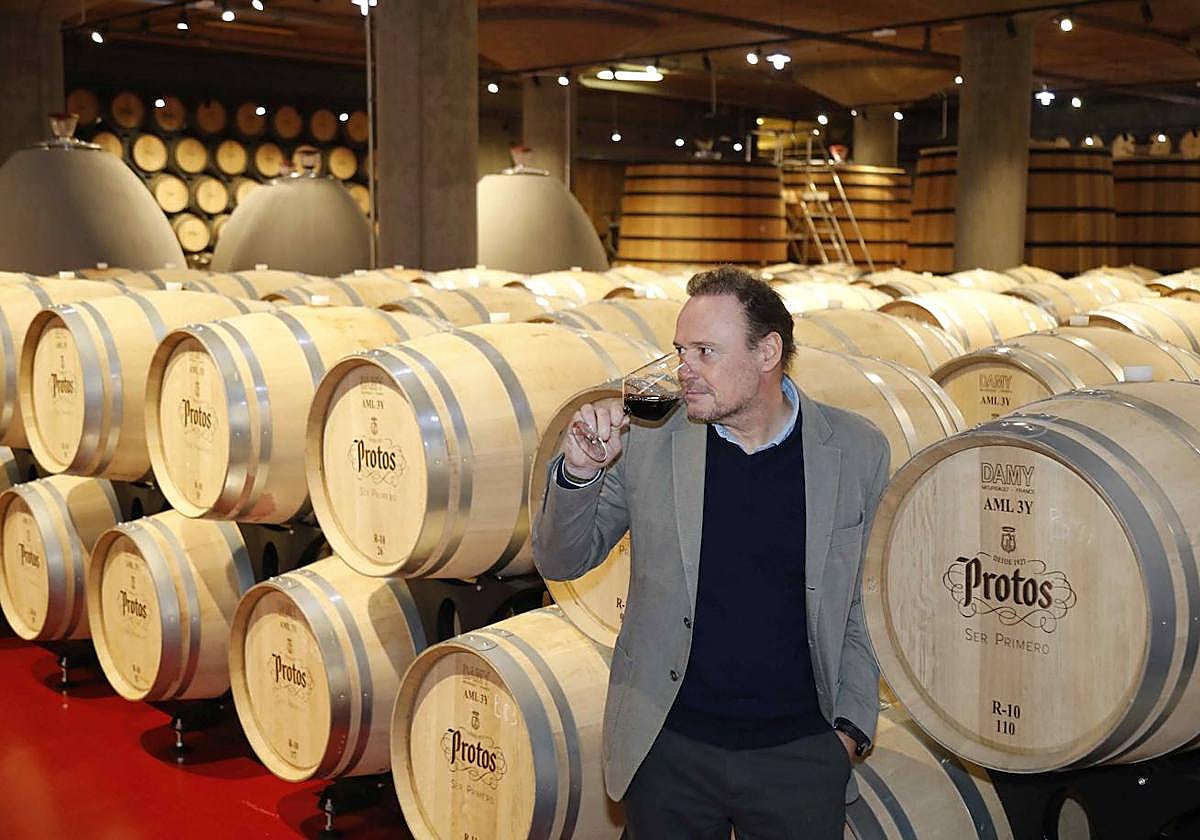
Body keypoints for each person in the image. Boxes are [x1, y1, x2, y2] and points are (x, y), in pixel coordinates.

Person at [532, 265, 890, 839]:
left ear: (768, 351)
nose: (683, 370)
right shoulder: (649, 441)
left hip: (799, 754)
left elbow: (867, 604)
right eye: (679, 350)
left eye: (705, 351)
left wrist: (849, 732)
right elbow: (562, 561)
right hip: (668, 749)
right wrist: (579, 472)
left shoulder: (855, 449)